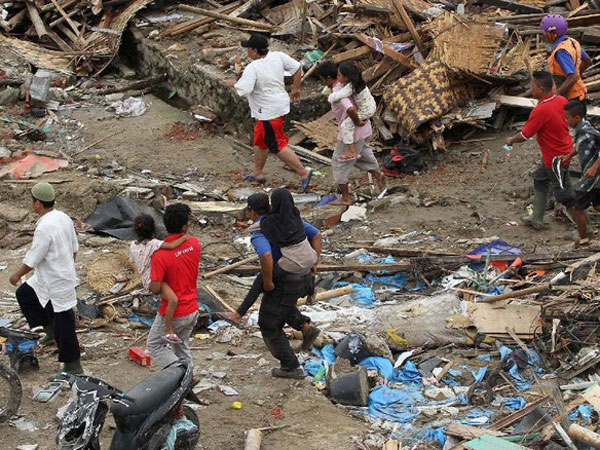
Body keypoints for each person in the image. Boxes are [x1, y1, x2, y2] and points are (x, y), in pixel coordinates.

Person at [221, 191, 322, 379]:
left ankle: (291, 367)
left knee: (269, 324)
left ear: (252, 212)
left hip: (285, 281)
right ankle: (306, 328)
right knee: (282, 306)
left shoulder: (260, 230)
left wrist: (268, 281)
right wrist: (315, 263)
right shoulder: (291, 219)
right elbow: (316, 234)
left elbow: (266, 256)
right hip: (305, 278)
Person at [9, 183, 83, 375]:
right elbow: (75, 248)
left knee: (64, 325)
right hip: (49, 277)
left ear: (37, 204)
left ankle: (74, 366)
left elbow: (34, 257)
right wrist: (66, 266)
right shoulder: (63, 217)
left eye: (32, 201)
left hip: (57, 282)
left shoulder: (45, 227)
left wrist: (17, 274)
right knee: (25, 294)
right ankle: (48, 331)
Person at [232, 32, 313, 193]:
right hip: (278, 105)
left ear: (254, 50)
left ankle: (303, 172)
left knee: (276, 145)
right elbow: (297, 68)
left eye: (248, 49)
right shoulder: (278, 56)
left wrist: (234, 83)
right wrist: (296, 88)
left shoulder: (253, 68)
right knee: (260, 140)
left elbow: (244, 89)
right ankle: (258, 173)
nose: (247, 52)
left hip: (267, 111)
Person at [505, 70, 575, 229]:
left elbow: (524, 135)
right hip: (561, 152)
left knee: (565, 195)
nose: (531, 89)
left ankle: (586, 230)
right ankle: (536, 217)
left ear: (541, 89)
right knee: (540, 179)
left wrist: (511, 140)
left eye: (533, 86)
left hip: (555, 158)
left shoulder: (541, 110)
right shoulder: (561, 100)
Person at [317, 61, 385, 205]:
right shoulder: (346, 85)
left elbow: (350, 109)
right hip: (364, 130)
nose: (323, 82)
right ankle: (378, 175)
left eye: (324, 79)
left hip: (353, 133)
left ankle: (346, 197)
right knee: (363, 155)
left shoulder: (339, 92)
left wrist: (355, 121)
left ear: (329, 77)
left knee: (339, 162)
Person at [146, 203, 201, 368]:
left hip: (174, 314)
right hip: (192, 309)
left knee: (154, 345)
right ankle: (189, 377)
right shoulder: (194, 244)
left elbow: (155, 289)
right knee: (181, 345)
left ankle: (181, 374)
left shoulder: (160, 255)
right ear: (184, 226)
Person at [129, 214, 191, 343]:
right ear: (153, 229)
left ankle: (168, 327)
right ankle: (168, 330)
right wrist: (185, 237)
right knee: (173, 300)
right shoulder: (153, 244)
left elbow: (133, 261)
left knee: (171, 298)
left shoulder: (132, 246)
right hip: (154, 281)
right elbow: (172, 246)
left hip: (146, 280)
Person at [562, 100, 600, 245]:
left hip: (594, 175)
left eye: (567, 118)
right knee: (597, 205)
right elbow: (580, 145)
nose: (565, 121)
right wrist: (569, 155)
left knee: (577, 206)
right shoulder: (580, 129)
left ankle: (583, 238)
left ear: (577, 117)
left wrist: (594, 167)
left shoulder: (588, 131)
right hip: (591, 173)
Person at [327, 62, 377, 162]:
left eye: (339, 75)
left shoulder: (350, 87)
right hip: (371, 106)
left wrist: (330, 96)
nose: (337, 78)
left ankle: (351, 151)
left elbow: (338, 96)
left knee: (346, 125)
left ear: (346, 77)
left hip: (366, 110)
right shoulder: (359, 82)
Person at [540, 14, 591, 102]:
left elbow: (572, 77)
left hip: (570, 98)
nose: (543, 34)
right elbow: (587, 61)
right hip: (579, 93)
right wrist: (578, 73)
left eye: (545, 32)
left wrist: (555, 96)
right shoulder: (572, 42)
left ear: (553, 33)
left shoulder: (561, 51)